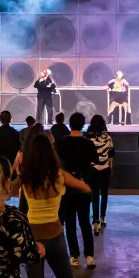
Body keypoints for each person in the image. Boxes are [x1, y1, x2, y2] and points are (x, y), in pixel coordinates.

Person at [15, 134, 98, 278]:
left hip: (33, 240)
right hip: (56, 237)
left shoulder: (25, 178)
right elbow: (85, 187)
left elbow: (8, 195)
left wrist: (16, 165)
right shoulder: (59, 176)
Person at [57, 112, 98, 268]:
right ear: (83, 125)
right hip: (83, 187)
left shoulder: (61, 143)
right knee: (85, 222)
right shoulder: (87, 144)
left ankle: (74, 256)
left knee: (70, 223)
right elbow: (96, 159)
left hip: (66, 187)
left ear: (69, 124)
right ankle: (89, 256)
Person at [87, 114, 114, 234]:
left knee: (95, 193)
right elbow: (111, 155)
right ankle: (103, 217)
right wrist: (110, 168)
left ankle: (96, 220)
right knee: (104, 193)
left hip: (93, 169)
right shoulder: (107, 137)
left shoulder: (88, 137)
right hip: (105, 168)